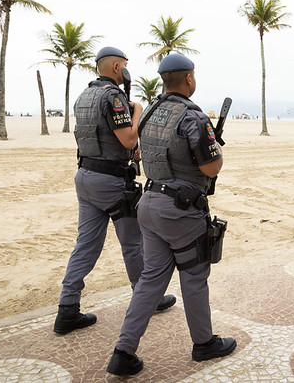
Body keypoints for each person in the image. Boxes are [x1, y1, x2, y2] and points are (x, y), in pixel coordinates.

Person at [107, 53, 236, 376]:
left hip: (149, 204)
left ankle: (123, 352)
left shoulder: (149, 112)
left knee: (151, 279)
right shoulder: (193, 117)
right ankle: (204, 343)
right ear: (189, 78)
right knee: (193, 277)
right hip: (180, 211)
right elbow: (210, 166)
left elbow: (138, 150)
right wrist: (216, 151)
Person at [53, 46, 176, 335]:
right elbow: (128, 138)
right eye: (125, 67)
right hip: (110, 182)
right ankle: (148, 298)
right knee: (133, 243)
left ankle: (67, 309)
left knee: (85, 245)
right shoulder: (113, 97)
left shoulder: (84, 96)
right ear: (118, 68)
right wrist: (138, 112)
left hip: (85, 176)